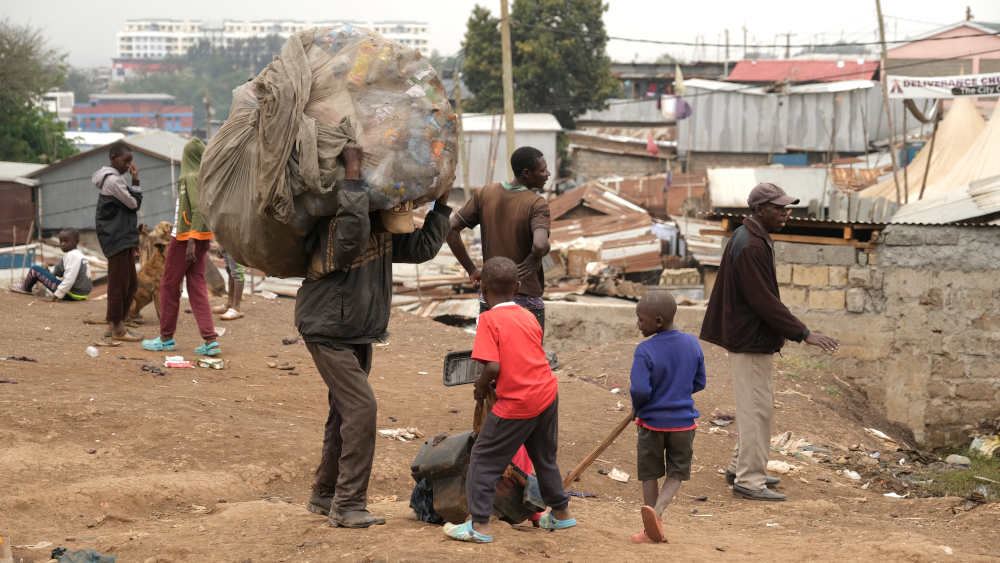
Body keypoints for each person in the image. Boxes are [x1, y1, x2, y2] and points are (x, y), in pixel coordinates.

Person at [296, 144, 453, 529]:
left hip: (357, 330)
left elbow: (420, 248)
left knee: (343, 411)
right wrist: (352, 173)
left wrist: (442, 206)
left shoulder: (379, 224)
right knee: (361, 409)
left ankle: (325, 493)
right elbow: (350, 238)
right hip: (327, 327)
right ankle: (348, 504)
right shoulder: (337, 221)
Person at [700, 183, 839, 502]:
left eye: (786, 208)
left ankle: (741, 468)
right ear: (760, 209)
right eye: (779, 208)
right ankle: (749, 481)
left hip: (750, 337)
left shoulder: (750, 236)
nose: (786, 214)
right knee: (756, 412)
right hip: (749, 340)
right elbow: (763, 301)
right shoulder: (751, 244)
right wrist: (804, 333)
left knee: (756, 408)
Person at [444, 256, 574, 544]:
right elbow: (524, 356)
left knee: (483, 458)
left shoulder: (489, 320)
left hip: (519, 401)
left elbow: (493, 366)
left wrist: (481, 387)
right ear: (517, 287)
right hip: (547, 393)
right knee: (544, 458)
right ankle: (561, 513)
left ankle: (479, 525)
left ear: (482, 288)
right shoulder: (528, 316)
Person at [446, 146, 551, 333]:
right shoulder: (537, 204)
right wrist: (534, 258)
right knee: (527, 351)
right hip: (525, 298)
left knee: (491, 350)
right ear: (526, 173)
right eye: (543, 170)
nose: (548, 174)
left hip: (490, 297)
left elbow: (451, 229)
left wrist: (471, 270)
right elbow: (540, 244)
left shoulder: (485, 193)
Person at [628, 291, 705, 544]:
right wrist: (677, 392)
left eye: (641, 319)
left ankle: (652, 520)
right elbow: (699, 382)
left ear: (658, 321)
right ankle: (658, 513)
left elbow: (640, 390)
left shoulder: (645, 350)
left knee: (649, 473)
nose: (638, 324)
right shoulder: (692, 344)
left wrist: (638, 406)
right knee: (677, 473)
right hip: (683, 424)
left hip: (651, 423)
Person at [141, 138, 220, 356]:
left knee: (169, 285)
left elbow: (197, 208)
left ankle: (166, 338)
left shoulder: (188, 177)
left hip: (185, 239)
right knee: (197, 286)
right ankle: (210, 339)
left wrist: (190, 241)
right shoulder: (205, 177)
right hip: (201, 237)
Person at [93, 141, 142, 342]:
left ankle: (115, 323)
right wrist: (136, 182)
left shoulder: (115, 179)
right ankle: (117, 327)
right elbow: (134, 204)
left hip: (121, 236)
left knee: (130, 283)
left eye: (130, 161)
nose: (129, 165)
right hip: (116, 237)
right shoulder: (113, 181)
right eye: (125, 161)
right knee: (119, 284)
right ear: (113, 159)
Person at [10, 228, 92, 301]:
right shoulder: (79, 255)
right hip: (82, 294)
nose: (62, 244)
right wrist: (48, 269)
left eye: (66, 241)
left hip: (71, 294)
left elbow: (69, 279)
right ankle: (26, 286)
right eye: (61, 241)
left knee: (35, 269)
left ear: (76, 241)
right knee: (42, 270)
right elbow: (59, 271)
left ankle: (25, 288)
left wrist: (56, 296)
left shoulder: (72, 256)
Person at [212, 250, 245, 320]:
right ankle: (230, 304)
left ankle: (236, 308)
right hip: (227, 247)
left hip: (235, 247)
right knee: (230, 271)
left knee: (237, 273)